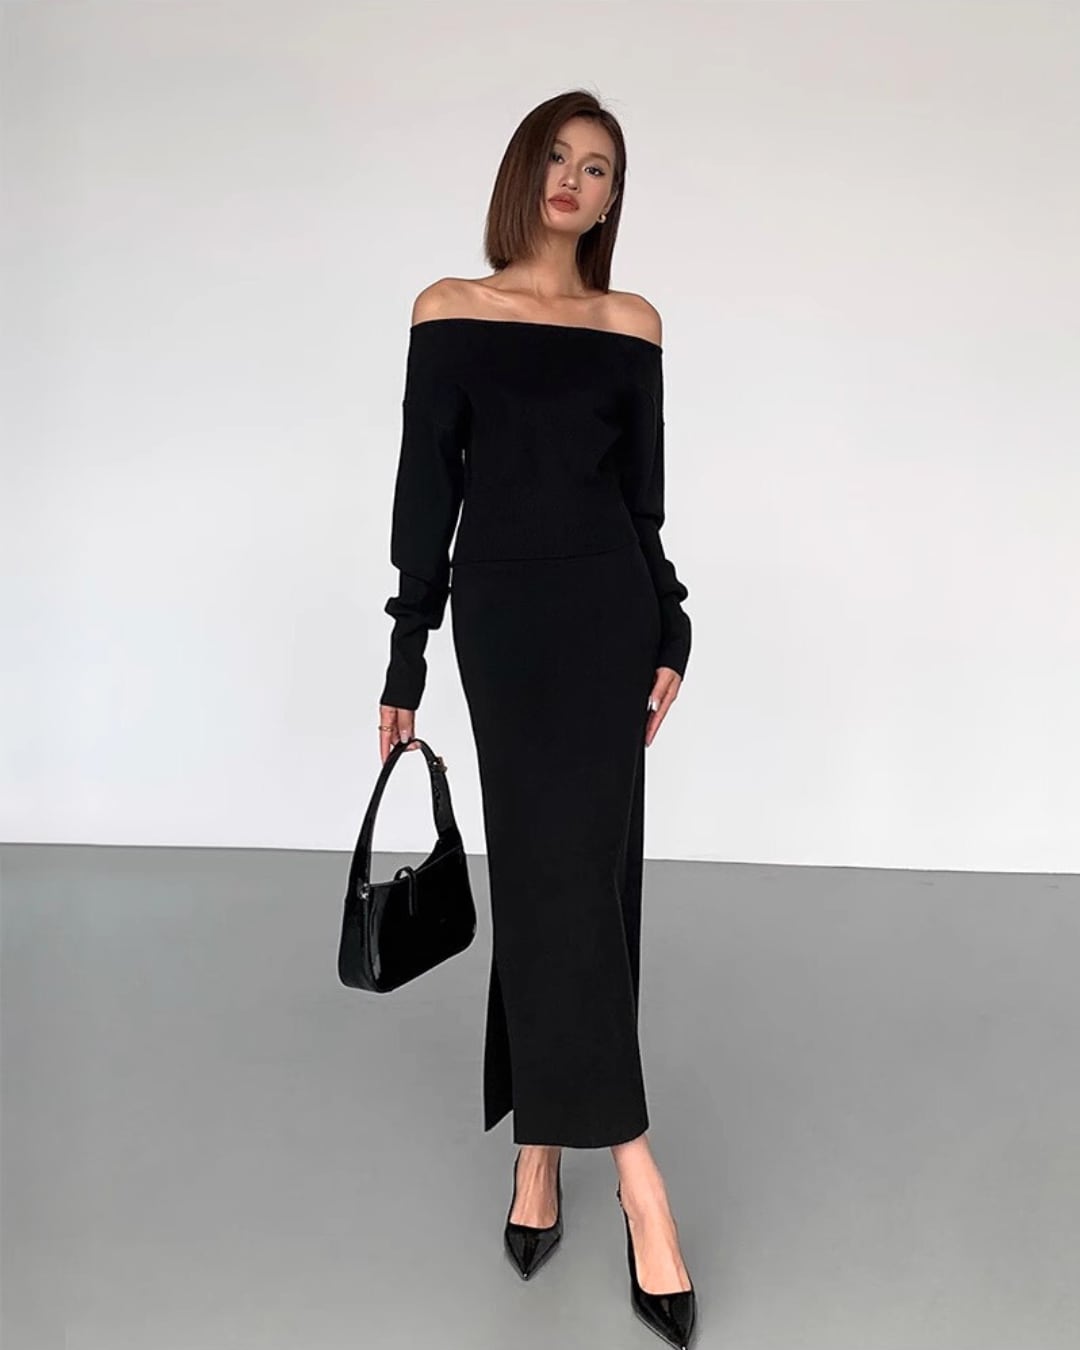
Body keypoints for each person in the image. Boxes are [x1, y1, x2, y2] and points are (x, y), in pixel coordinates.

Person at [376, 88, 697, 1349]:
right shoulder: (449, 310)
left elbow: (643, 507)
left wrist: (672, 626)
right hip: (505, 625)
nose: (574, 178)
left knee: (586, 878)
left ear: (614, 200)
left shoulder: (632, 325)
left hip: (610, 618)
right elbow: (425, 498)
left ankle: (541, 1152)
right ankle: (638, 1176)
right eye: (558, 157)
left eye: (599, 167)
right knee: (550, 872)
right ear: (526, 171)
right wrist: (407, 655)